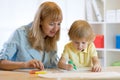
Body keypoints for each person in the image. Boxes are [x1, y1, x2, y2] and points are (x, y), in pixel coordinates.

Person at [0, 1, 62, 70]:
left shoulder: (51, 38)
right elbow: (1, 63)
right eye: (51, 24)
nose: (56, 29)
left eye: (58, 24)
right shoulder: (20, 34)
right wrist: (25, 64)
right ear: (40, 21)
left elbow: (53, 67)